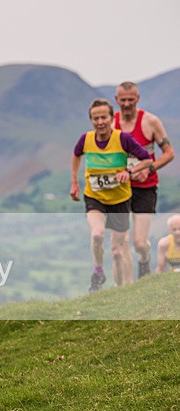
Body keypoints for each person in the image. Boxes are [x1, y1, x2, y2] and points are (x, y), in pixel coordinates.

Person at [71, 98, 152, 291]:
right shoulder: (86, 139)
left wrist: (129, 172)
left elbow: (147, 160)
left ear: (111, 118)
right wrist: (74, 181)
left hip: (120, 201)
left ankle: (118, 290)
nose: (100, 122)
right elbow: (76, 155)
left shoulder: (123, 139)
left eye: (103, 118)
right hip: (95, 197)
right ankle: (98, 272)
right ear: (91, 120)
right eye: (95, 118)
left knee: (117, 252)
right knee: (97, 234)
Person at [114, 81, 175, 277]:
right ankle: (128, 286)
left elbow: (169, 153)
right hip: (120, 188)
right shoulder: (111, 123)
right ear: (116, 100)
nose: (126, 104)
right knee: (120, 241)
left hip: (145, 187)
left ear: (138, 99)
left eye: (130, 100)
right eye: (122, 100)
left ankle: (144, 256)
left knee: (139, 242)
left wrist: (149, 170)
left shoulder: (150, 122)